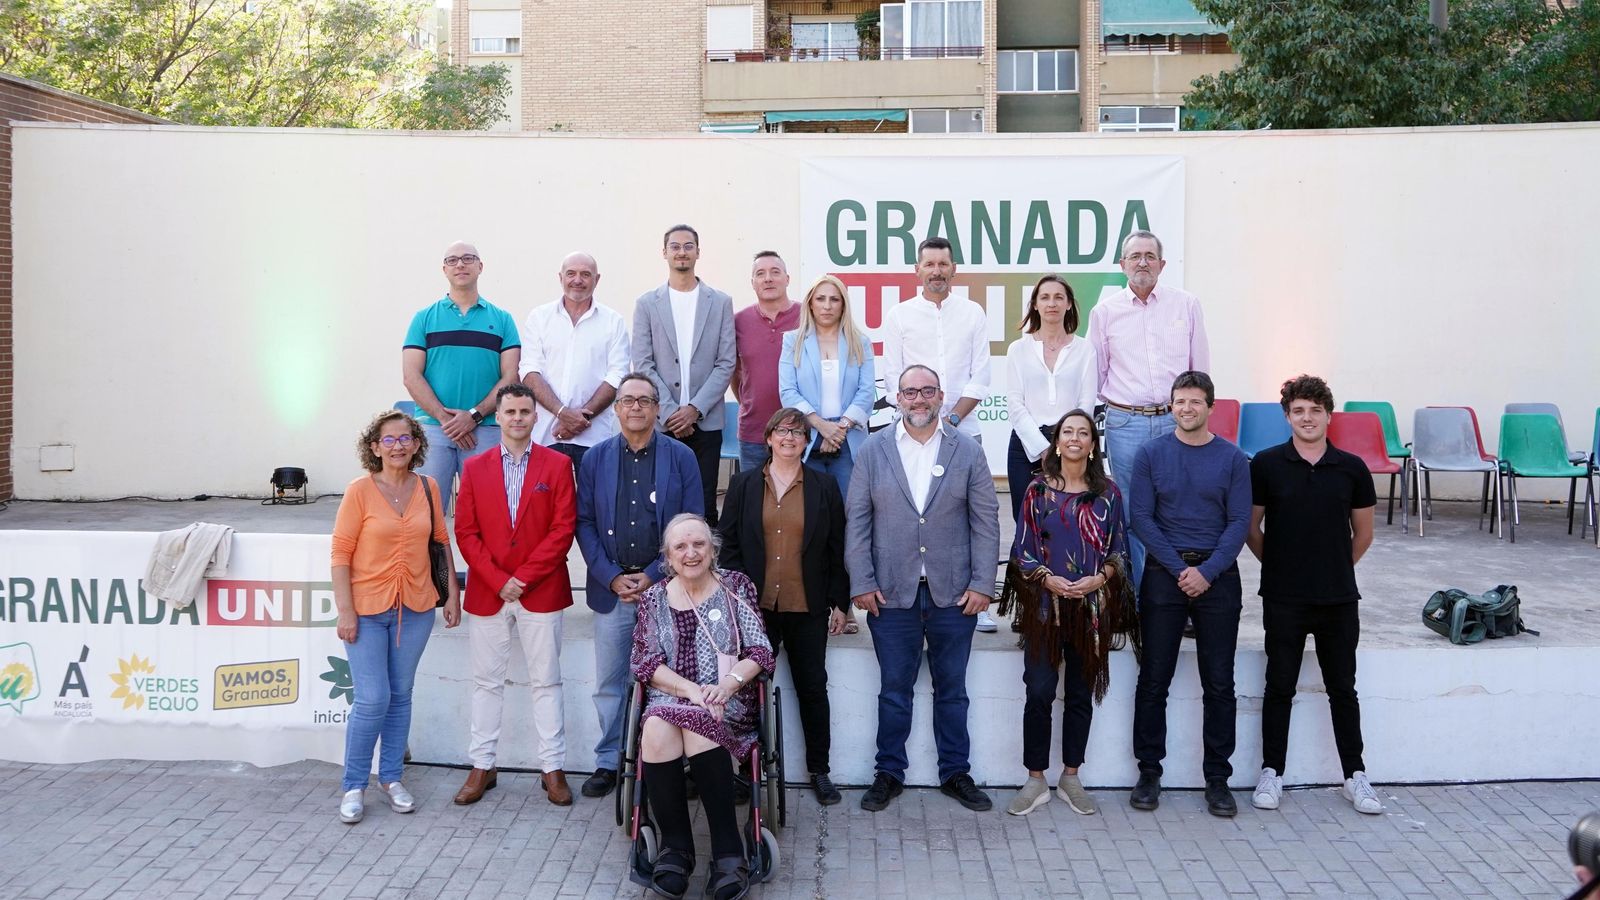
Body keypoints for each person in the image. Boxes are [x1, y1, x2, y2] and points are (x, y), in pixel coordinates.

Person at [846, 365, 1000, 813]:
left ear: (942, 396)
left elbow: (986, 522)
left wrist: (982, 585)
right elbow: (857, 521)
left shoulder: (967, 450)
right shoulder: (874, 450)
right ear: (896, 397)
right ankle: (888, 773)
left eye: (927, 391)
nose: (918, 399)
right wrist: (862, 582)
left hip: (955, 596)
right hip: (891, 596)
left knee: (953, 690)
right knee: (894, 690)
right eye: (910, 392)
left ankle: (956, 773)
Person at [1246, 375, 1381, 815]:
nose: (1307, 418)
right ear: (1287, 416)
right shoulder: (1265, 465)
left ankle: (1355, 775)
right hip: (1284, 597)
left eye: (1315, 410)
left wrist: (1335, 568)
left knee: (1343, 688)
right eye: (1299, 411)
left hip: (1338, 598)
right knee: (1279, 685)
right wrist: (1282, 565)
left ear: (1328, 415)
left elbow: (1363, 534)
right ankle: (1271, 773)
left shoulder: (1352, 468)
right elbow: (1251, 527)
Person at [574, 373, 705, 799]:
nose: (635, 408)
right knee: (611, 682)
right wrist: (611, 576)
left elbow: (692, 524)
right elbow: (585, 523)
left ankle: (667, 762)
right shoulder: (594, 459)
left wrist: (653, 573)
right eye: (627, 400)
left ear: (657, 408)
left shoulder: (681, 457)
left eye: (644, 401)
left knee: (672, 680)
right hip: (612, 589)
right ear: (616, 409)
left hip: (666, 589)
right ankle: (609, 761)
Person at [631, 514, 774, 900]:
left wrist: (728, 684)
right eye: (681, 547)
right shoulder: (654, 597)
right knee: (657, 728)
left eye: (698, 544)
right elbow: (645, 663)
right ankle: (675, 850)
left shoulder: (735, 587)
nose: (690, 553)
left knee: (698, 721)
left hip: (728, 700)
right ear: (668, 556)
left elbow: (760, 649)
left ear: (712, 549)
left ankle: (728, 850)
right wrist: (688, 690)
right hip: (671, 697)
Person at [1127, 371, 1250, 818]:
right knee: (1153, 679)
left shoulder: (1233, 459)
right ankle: (1149, 772)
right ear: (1171, 406)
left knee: (1220, 683)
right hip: (1166, 573)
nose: (1186, 409)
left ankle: (1218, 779)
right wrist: (1182, 570)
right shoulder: (1151, 454)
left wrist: (1208, 572)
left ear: (1210, 407)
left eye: (1195, 402)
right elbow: (1140, 517)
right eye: (1179, 402)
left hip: (1218, 577)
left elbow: (1239, 523)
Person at [330, 410, 462, 824]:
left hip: (417, 607)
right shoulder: (359, 491)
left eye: (406, 438)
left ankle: (391, 779)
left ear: (417, 444)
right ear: (374, 447)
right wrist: (346, 611)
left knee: (401, 695)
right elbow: (340, 555)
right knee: (372, 699)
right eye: (389, 440)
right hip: (367, 611)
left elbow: (441, 543)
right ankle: (354, 785)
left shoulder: (428, 487)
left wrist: (452, 597)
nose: (398, 445)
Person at [1004, 410, 1138, 817]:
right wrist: (1047, 579)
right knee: (1040, 691)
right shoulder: (1036, 491)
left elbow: (1119, 549)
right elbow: (1021, 550)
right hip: (1046, 608)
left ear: (1093, 444)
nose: (1075, 438)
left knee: (1080, 694)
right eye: (1068, 432)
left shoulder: (1108, 494)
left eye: (1083, 432)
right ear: (1057, 442)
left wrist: (1101, 579)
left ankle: (1071, 776)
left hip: (1092, 611)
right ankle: (1035, 778)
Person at [452, 384, 578, 807]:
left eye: (526, 411)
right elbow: (465, 532)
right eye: (511, 411)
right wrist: (495, 578)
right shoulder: (473, 467)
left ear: (535, 417)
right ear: (498, 417)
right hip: (490, 592)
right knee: (486, 683)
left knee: (547, 681)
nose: (519, 418)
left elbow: (563, 530)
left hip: (539, 590)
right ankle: (482, 765)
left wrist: (522, 578)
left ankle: (552, 768)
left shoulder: (558, 466)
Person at [718, 408, 849, 806]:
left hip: (806, 605)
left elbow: (836, 549)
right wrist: (735, 601)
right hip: (754, 611)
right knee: (747, 690)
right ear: (769, 438)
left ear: (807, 441)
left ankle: (819, 771)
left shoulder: (824, 487)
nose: (790, 437)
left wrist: (839, 603)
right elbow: (729, 546)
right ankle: (746, 772)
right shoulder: (742, 485)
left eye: (798, 432)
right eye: (782, 431)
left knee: (812, 689)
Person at [879, 236, 998, 634]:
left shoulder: (973, 313)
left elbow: (981, 374)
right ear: (917, 270)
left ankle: (976, 600)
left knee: (969, 517)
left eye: (943, 264)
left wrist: (952, 421)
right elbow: (892, 377)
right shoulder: (898, 316)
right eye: (928, 264)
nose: (936, 271)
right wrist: (924, 418)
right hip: (913, 431)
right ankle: (911, 597)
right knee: (920, 514)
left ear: (953, 269)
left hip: (966, 432)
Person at [1088, 230, 1209, 589]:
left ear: (1162, 264)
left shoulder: (1186, 305)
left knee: (1182, 508)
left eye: (1149, 256)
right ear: (1122, 264)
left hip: (1178, 420)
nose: (1142, 262)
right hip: (1126, 423)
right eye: (1135, 256)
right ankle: (1140, 600)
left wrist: (1195, 417)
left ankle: (1181, 593)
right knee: (1133, 514)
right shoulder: (1104, 312)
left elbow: (1198, 370)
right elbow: (1097, 374)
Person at [402, 241, 522, 514]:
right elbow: (411, 375)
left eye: (468, 258)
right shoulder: (423, 319)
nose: (460, 264)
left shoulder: (503, 320)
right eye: (453, 260)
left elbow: (511, 375)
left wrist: (473, 416)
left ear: (481, 267)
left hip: (486, 430)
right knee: (426, 516)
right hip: (433, 430)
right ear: (444, 269)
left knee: (488, 516)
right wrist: (447, 420)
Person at [633, 224, 736, 525]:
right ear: (664, 252)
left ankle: (708, 570)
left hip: (706, 423)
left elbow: (726, 362)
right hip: (663, 425)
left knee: (704, 504)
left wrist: (694, 410)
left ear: (698, 252)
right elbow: (642, 364)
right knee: (661, 500)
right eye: (675, 246)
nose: (682, 251)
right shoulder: (647, 304)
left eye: (688, 246)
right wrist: (670, 412)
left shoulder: (719, 302)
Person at [519, 251, 630, 471]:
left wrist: (579, 419)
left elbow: (618, 376)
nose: (577, 280)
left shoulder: (613, 322)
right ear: (560, 277)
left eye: (585, 274)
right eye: (571, 273)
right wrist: (564, 413)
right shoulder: (539, 318)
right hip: (546, 435)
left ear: (597, 280)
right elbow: (529, 372)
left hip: (594, 438)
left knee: (594, 504)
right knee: (546, 505)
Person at [1005, 275, 1098, 526]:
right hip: (1026, 447)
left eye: (1059, 297)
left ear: (1069, 304)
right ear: (1035, 304)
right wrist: (1043, 448)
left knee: (1070, 519)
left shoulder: (1085, 349)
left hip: (1073, 444)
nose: (1052, 303)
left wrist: (1065, 444)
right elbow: (1014, 403)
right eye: (1044, 297)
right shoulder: (1018, 349)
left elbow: (1086, 403)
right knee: (1026, 521)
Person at [777, 273, 876, 499]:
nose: (827, 306)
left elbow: (866, 391)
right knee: (811, 511)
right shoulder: (793, 341)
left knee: (849, 511)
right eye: (821, 299)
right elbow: (788, 391)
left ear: (843, 305)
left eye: (835, 299)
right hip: (806, 436)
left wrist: (838, 430)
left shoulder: (860, 342)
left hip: (848, 440)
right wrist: (821, 426)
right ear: (810, 303)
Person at [731, 251, 801, 473]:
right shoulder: (739, 321)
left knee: (797, 503)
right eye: (760, 274)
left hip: (798, 432)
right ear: (753, 283)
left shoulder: (807, 316)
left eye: (775, 272)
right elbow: (734, 371)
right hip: (753, 433)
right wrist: (748, 402)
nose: (768, 278)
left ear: (787, 279)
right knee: (753, 502)